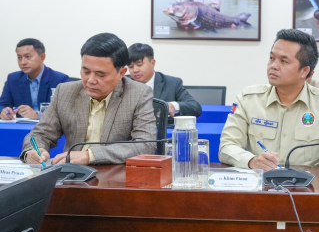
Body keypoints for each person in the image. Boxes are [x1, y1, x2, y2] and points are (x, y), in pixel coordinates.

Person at [219, 29, 319, 172]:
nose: (273, 66)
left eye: (284, 61)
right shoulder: (249, 99)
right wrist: (253, 161)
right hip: (263, 184)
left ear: (304, 71)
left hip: (309, 185)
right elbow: (227, 146)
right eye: (271, 58)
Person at [21, 33, 157, 166]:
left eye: (100, 75)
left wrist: (90, 155)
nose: (91, 80)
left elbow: (145, 145)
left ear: (121, 73)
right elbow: (41, 134)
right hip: (73, 174)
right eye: (86, 72)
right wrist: (33, 150)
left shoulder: (138, 94)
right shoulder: (65, 92)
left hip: (115, 173)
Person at [1, 38, 70, 120]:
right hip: (22, 127)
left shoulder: (60, 80)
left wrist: (38, 115)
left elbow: (66, 112)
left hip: (49, 127)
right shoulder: (13, 79)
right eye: (19, 57)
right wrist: (3, 111)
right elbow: (2, 105)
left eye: (28, 56)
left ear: (42, 57)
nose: (23, 62)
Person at [127, 43, 202, 118]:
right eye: (130, 66)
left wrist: (173, 106)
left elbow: (195, 107)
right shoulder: (123, 84)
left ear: (152, 63)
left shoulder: (172, 83)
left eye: (139, 65)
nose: (135, 70)